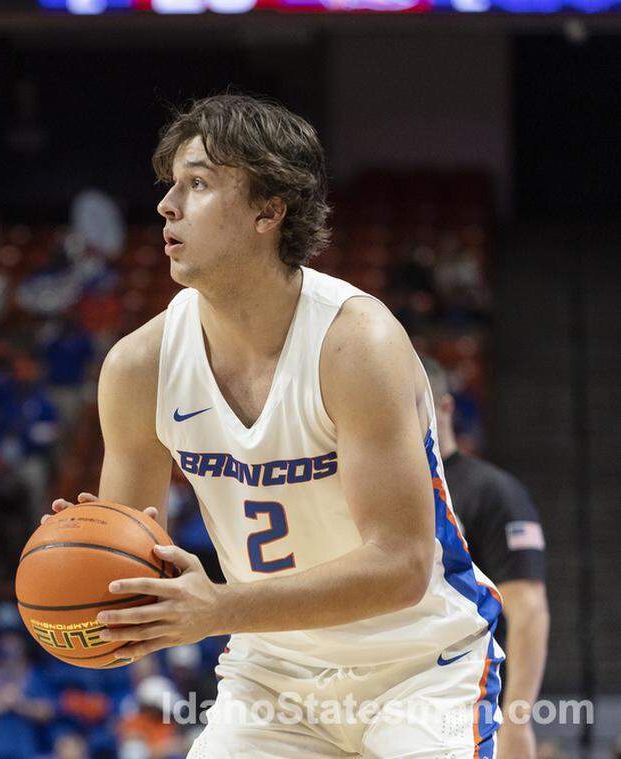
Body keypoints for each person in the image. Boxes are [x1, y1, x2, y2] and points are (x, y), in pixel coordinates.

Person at [48, 94, 503, 757]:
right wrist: (84, 574)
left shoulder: (357, 343)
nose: (166, 205)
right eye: (170, 185)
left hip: (420, 666)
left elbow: (402, 565)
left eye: (197, 183)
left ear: (270, 209)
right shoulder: (137, 367)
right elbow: (133, 586)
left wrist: (218, 608)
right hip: (273, 679)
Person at [425, 356, 550, 759]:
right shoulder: (373, 491)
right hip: (392, 698)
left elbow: (528, 611)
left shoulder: (491, 491)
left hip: (470, 704)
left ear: (445, 407)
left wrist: (516, 720)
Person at [0, 631, 54, 759]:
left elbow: (47, 711)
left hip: (26, 749)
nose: (10, 647)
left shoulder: (37, 674)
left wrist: (19, 703)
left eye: (15, 641)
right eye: (5, 641)